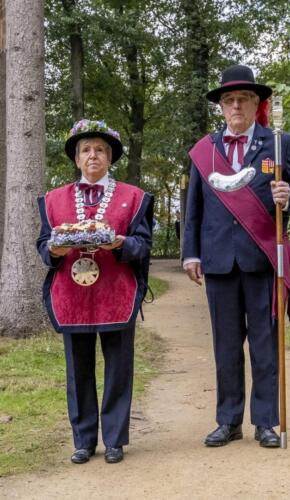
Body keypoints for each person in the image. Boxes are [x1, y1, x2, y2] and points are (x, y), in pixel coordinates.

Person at [182, 65, 290, 448]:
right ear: (221, 107)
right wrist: (191, 254)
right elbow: (194, 208)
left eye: (243, 99)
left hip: (263, 258)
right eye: (228, 100)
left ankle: (266, 422)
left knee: (265, 344)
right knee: (225, 346)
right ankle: (228, 419)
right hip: (218, 260)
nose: (235, 106)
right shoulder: (206, 150)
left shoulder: (278, 143)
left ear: (257, 104)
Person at [37, 119, 153, 464]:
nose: (93, 155)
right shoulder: (53, 200)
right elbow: (44, 244)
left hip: (116, 292)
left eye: (100, 150)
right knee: (78, 369)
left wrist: (120, 243)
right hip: (71, 296)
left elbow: (142, 244)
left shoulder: (133, 198)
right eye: (86, 150)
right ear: (76, 158)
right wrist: (53, 251)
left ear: (110, 158)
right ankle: (84, 440)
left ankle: (115, 439)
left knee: (119, 367)